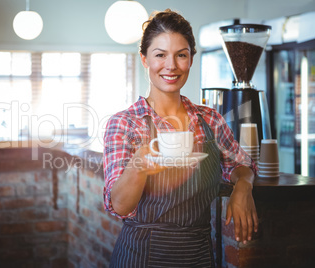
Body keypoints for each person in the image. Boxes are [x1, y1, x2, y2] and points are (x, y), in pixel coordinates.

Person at [103, 9, 258, 268]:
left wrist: (244, 187)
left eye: (181, 55)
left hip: (198, 255)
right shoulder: (125, 123)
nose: (171, 66)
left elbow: (241, 165)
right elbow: (119, 205)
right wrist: (139, 167)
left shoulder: (210, 120)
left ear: (191, 59)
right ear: (144, 59)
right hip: (141, 255)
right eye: (160, 55)